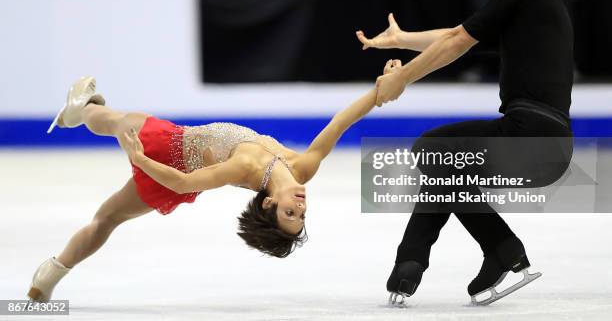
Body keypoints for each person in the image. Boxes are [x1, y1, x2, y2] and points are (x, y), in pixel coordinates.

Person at [27, 65, 396, 302]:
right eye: (302, 213)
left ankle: (81, 110)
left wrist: (141, 159)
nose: (300, 204)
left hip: (168, 149)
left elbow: (186, 177)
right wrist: (379, 91)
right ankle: (50, 274)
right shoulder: (305, 167)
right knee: (107, 218)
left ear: (268, 204)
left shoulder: (245, 168)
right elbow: (339, 123)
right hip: (173, 180)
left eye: (289, 212)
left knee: (114, 122)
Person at [356, 0, 573, 305]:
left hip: (531, 137)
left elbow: (458, 40)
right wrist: (402, 40)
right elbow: (463, 34)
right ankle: (415, 261)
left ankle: (502, 249)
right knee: (446, 165)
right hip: (548, 146)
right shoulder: (536, 1)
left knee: (433, 149)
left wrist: (402, 77)